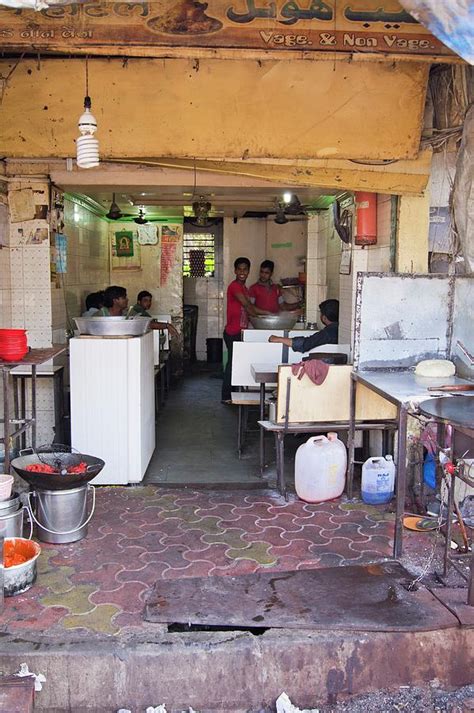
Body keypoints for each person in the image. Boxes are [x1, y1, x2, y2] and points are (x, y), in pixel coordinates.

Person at [221, 257, 272, 404]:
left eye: (245, 269)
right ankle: (226, 396)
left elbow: (251, 307)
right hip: (232, 332)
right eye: (240, 269)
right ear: (235, 271)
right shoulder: (235, 286)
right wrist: (263, 319)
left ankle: (234, 393)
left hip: (241, 331)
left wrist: (267, 315)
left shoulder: (244, 288)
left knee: (236, 363)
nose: (242, 272)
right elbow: (248, 307)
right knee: (232, 364)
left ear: (249, 271)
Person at [268, 299, 339, 353]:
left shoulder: (328, 333)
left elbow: (305, 344)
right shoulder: (338, 329)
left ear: (324, 317)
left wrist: (279, 339)